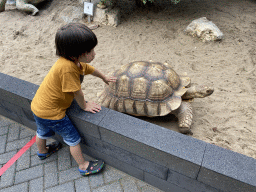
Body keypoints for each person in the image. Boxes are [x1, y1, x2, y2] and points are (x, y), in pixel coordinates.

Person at [31, 23, 116, 176]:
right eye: (90, 51)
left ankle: (42, 152)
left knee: (42, 131)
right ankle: (83, 166)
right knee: (73, 138)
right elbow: (78, 93)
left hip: (38, 107)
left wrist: (103, 77)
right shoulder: (68, 69)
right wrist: (84, 107)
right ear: (75, 54)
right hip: (52, 113)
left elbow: (89, 69)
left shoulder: (71, 61)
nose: (94, 54)